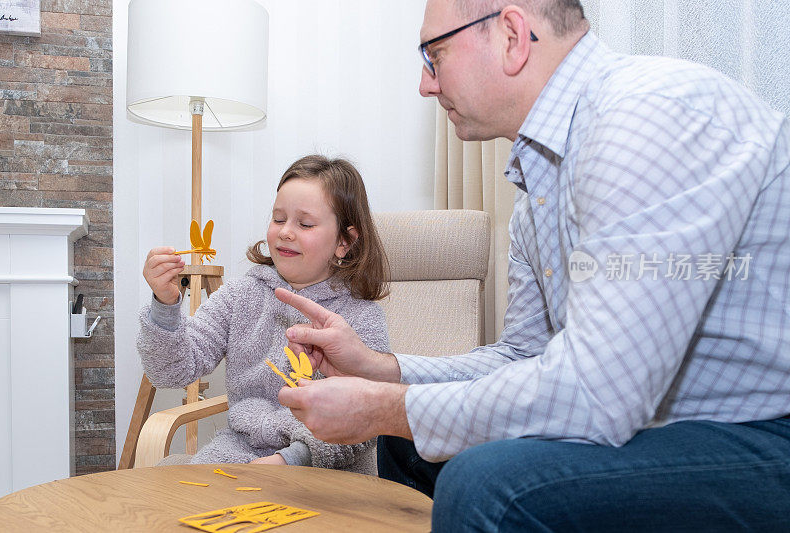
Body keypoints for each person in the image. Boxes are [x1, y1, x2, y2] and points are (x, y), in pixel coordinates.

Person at [274, 0, 790, 530]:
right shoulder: (539, 187)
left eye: (435, 55)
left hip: (764, 430)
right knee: (409, 445)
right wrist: (378, 369)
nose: (425, 86)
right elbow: (523, 356)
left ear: (513, 36)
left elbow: (597, 392)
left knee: (484, 485)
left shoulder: (642, 118)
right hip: (665, 420)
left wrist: (385, 407)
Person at [137, 155, 390, 474]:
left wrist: (294, 458)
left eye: (305, 224)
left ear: (343, 242)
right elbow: (170, 372)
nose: (285, 232)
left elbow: (364, 413)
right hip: (239, 451)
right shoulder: (239, 296)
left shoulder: (362, 315)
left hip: (328, 465)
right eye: (278, 218)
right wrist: (164, 304)